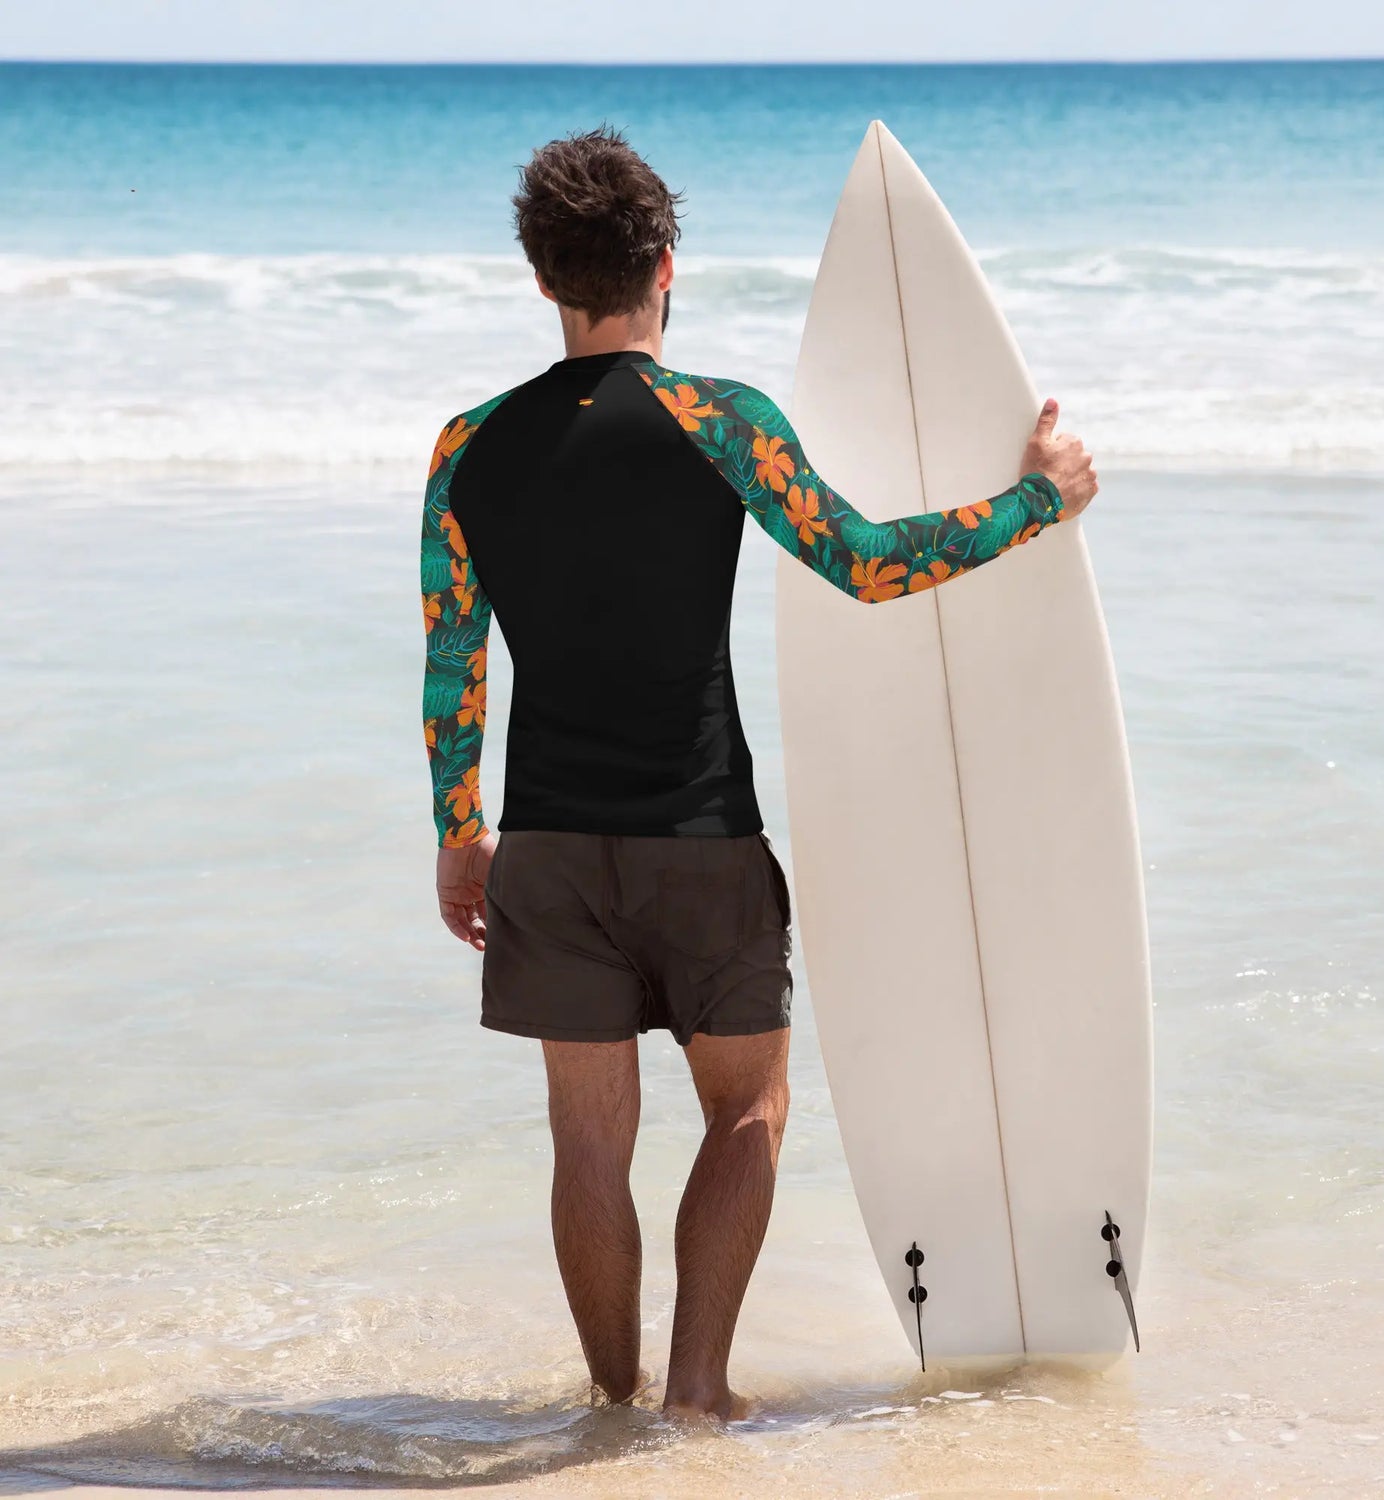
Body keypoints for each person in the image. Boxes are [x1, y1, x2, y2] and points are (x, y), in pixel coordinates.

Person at [420, 125, 1097, 1422]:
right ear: (664, 263)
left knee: (587, 1141)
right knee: (749, 1113)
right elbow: (865, 562)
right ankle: (696, 1393)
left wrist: (461, 833)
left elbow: (454, 656)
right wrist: (1035, 503)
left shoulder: (465, 446)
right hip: (703, 843)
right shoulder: (717, 419)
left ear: (542, 276)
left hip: (549, 848)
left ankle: (608, 1405)